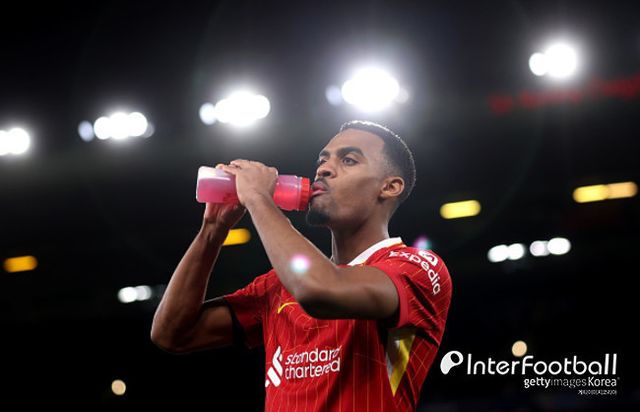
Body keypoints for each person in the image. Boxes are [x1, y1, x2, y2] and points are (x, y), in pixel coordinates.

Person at [151, 120, 452, 411]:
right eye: (322, 160)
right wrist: (212, 230)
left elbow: (319, 289)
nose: (323, 169)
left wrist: (258, 198)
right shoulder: (277, 285)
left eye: (348, 160)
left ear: (390, 187)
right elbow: (173, 333)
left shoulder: (417, 268)